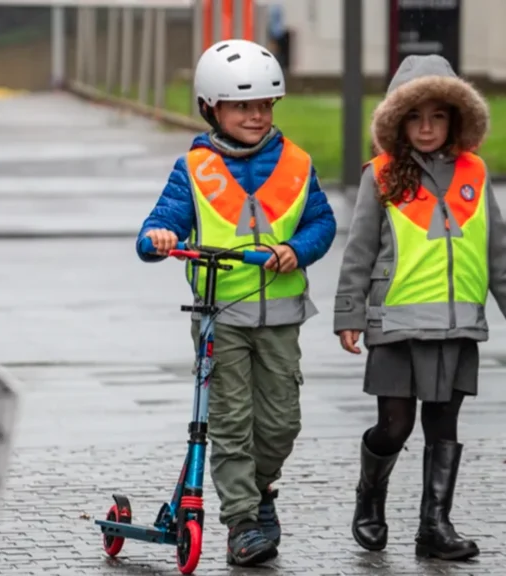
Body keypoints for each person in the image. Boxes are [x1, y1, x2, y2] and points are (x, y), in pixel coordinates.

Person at [333, 54, 506, 561]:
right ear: (396, 121)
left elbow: (497, 249)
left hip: (456, 325)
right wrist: (350, 313)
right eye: (414, 116)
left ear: (455, 118)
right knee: (394, 425)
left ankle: (435, 526)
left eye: (437, 116)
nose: (426, 127)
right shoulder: (381, 175)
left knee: (443, 425)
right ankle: (370, 496)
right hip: (396, 324)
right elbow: (359, 251)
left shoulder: (475, 172)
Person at [136, 39, 336, 567]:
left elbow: (322, 222)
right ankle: (242, 522)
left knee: (280, 423)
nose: (256, 115)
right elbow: (158, 227)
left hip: (282, 318)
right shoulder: (193, 169)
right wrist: (157, 238)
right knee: (227, 422)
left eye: (265, 105)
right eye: (243, 105)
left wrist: (297, 249)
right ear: (211, 108)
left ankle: (260, 489)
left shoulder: (296, 163)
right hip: (220, 320)